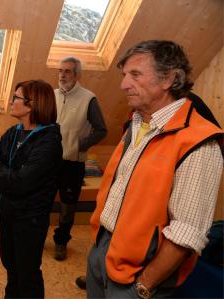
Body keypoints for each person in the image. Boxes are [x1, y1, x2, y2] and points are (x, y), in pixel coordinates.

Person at [86, 40, 223, 298]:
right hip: (103, 249)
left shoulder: (199, 142)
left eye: (135, 75)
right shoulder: (136, 122)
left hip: (140, 275)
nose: (123, 85)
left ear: (168, 79)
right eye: (124, 75)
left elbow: (187, 233)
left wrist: (143, 287)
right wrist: (98, 250)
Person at [0, 80, 63, 298]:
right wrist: (6, 175)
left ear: (31, 105)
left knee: (27, 272)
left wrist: (2, 172)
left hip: (30, 219)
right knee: (11, 265)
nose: (11, 101)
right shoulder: (13, 132)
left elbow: (21, 182)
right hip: (7, 212)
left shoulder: (49, 142)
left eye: (16, 98)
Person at [53, 56, 107, 261]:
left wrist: (79, 145)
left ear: (77, 75)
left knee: (68, 206)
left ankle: (61, 241)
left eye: (67, 71)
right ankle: (38, 237)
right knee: (42, 200)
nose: (62, 75)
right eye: (60, 70)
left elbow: (101, 130)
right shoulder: (52, 95)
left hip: (72, 163)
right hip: (50, 161)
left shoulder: (88, 98)